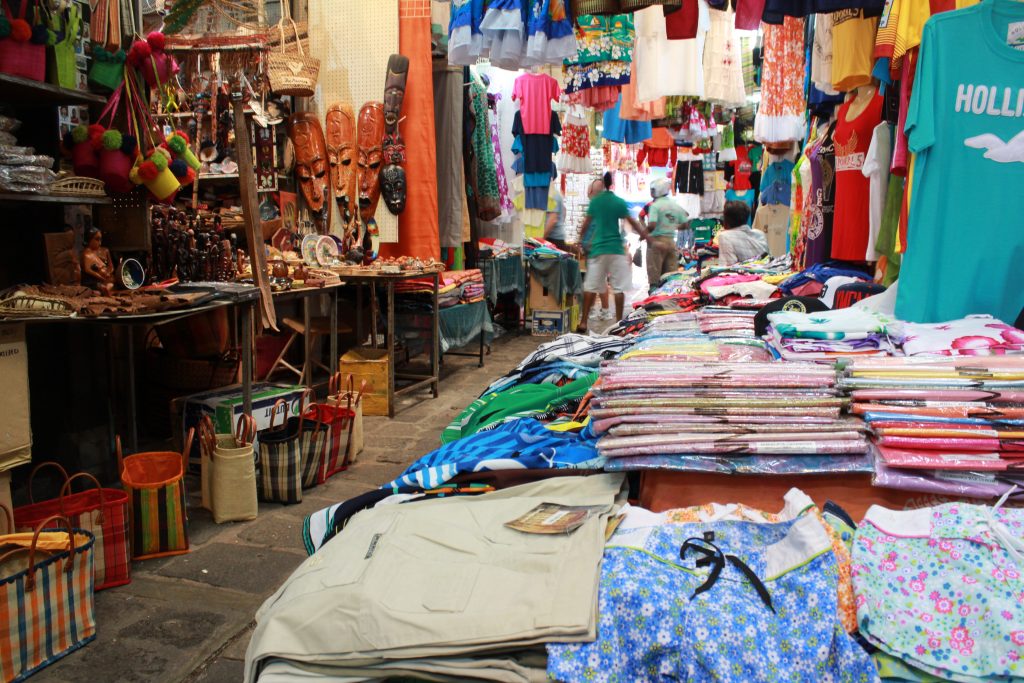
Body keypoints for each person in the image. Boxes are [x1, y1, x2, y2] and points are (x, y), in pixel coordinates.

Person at [578, 174, 647, 333]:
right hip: (616, 249)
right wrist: (646, 235)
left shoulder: (596, 202)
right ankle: (618, 323)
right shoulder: (618, 202)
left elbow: (586, 223)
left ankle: (583, 322)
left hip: (599, 249)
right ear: (612, 184)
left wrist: (580, 240)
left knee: (590, 286)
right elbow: (631, 222)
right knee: (618, 288)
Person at [644, 177, 689, 292]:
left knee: (654, 277)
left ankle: (653, 301)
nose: (651, 192)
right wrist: (672, 226)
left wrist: (643, 234)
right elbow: (685, 224)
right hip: (670, 242)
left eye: (653, 190)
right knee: (670, 277)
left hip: (656, 242)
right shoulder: (674, 205)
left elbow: (652, 225)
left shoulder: (655, 205)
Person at [717, 200, 769, 266]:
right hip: (765, 275)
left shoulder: (725, 237)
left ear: (726, 219)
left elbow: (728, 269)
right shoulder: (760, 234)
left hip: (743, 275)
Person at [544, 179, 568, 250]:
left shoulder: (553, 195)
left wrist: (541, 238)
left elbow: (552, 220)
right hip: (554, 237)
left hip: (554, 238)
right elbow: (564, 211)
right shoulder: (553, 193)